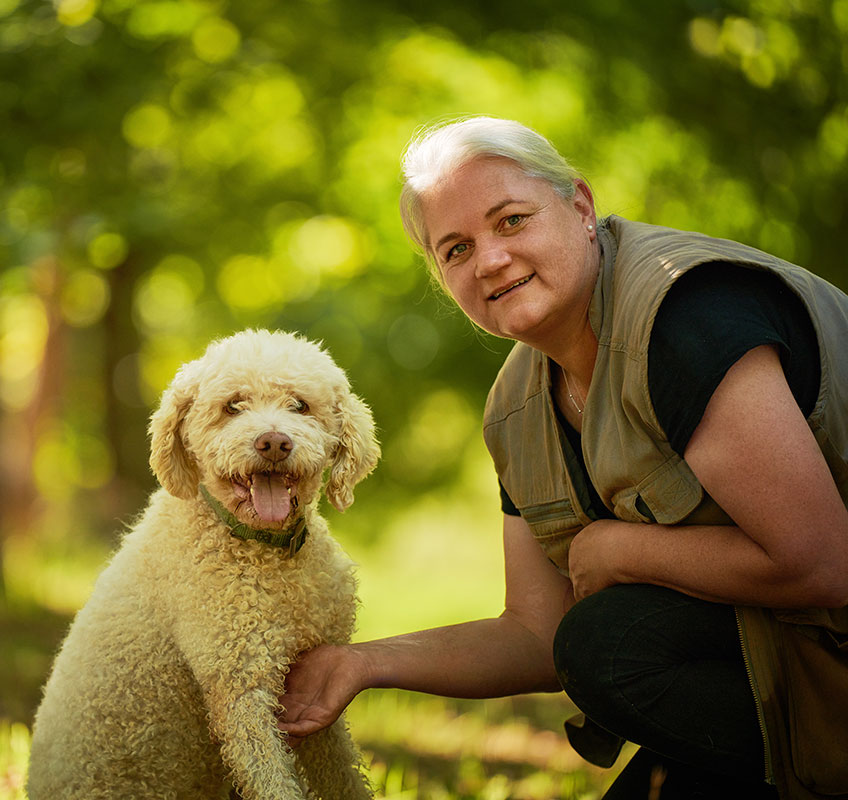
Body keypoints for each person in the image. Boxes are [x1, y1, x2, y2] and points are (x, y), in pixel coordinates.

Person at [277, 116, 848, 799]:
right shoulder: (516, 408)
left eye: (512, 221)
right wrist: (360, 663)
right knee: (596, 644)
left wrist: (620, 550)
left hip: (826, 640)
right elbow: (535, 633)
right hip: (797, 655)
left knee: (610, 642)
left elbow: (822, 563)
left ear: (579, 206)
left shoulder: (686, 317)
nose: (489, 259)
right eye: (456, 249)